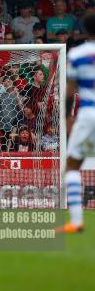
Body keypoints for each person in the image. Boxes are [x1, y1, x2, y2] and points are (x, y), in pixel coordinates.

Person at [60, 12, 95, 233]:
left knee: (73, 166)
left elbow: (70, 92)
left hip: (88, 113)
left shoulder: (77, 53)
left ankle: (76, 221)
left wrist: (67, 118)